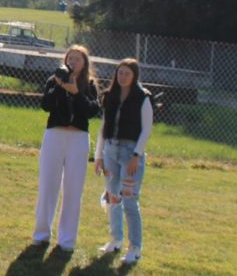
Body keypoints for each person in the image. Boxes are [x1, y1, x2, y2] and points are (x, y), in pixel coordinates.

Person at [31, 44, 100, 251]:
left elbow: (91, 110)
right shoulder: (54, 80)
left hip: (78, 138)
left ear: (84, 63)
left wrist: (76, 92)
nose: (73, 62)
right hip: (55, 135)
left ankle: (67, 241)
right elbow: (46, 105)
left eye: (78, 59)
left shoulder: (89, 84)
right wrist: (59, 85)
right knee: (48, 186)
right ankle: (41, 235)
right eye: (70, 58)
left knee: (73, 190)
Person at [94, 58, 153, 264]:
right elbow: (104, 126)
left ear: (134, 75)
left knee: (129, 199)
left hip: (130, 154)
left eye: (127, 73)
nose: (123, 77)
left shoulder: (142, 97)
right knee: (112, 197)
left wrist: (137, 155)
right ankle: (115, 239)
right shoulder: (111, 96)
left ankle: (135, 247)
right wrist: (98, 155)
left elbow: (146, 129)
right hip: (110, 150)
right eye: (120, 73)